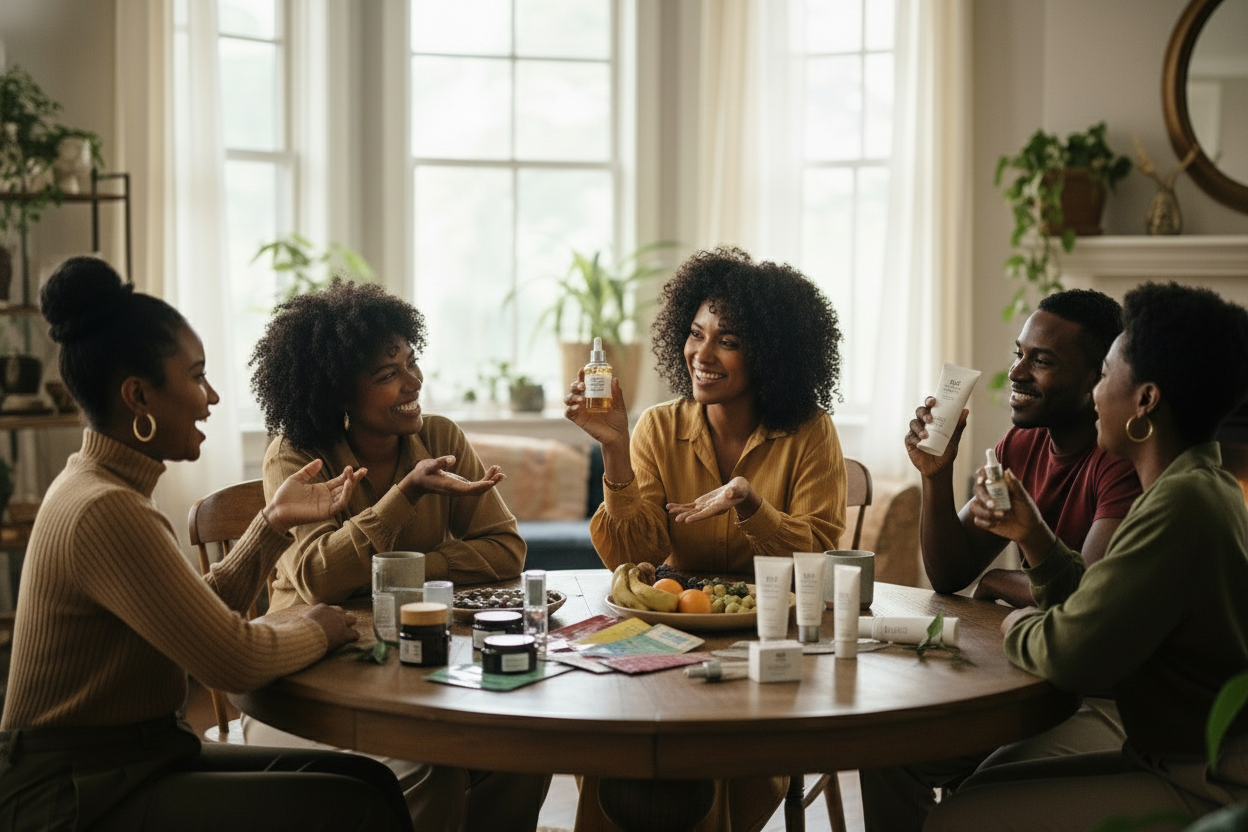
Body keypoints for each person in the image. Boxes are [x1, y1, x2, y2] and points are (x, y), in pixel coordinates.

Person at [0, 256, 411, 831]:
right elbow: (233, 657)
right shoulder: (105, 509)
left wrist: (271, 523)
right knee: (354, 803)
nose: (213, 396)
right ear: (138, 397)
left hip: (136, 758)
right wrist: (316, 626)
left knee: (368, 781)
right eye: (196, 376)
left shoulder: (106, 488)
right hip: (72, 794)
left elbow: (193, 616)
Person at [925, 282, 1248, 831]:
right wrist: (1038, 540)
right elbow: (1099, 595)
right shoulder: (1193, 485)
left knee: (957, 820)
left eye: (1105, 376)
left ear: (1144, 400)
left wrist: (1019, 624)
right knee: (969, 796)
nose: (1097, 394)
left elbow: (1071, 650)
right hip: (1167, 756)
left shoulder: (1178, 505)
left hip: (1205, 781)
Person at [564, 246, 848, 832]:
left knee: (716, 756)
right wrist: (615, 448)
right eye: (695, 334)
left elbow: (819, 553)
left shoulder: (809, 432)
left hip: (767, 642)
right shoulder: (659, 426)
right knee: (610, 737)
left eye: (730, 340)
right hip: (665, 635)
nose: (703, 354)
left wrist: (751, 504)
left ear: (770, 354)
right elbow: (630, 558)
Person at [247, 278, 547, 832]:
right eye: (388, 375)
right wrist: (403, 496)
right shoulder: (297, 456)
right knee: (428, 764)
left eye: (411, 361)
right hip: (307, 683)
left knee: (526, 747)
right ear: (337, 393)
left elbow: (507, 550)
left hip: (417, 668)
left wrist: (408, 571)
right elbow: (318, 579)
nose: (414, 381)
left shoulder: (439, 436)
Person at [862, 289, 1143, 831]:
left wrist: (1000, 579)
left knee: (981, 790)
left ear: (1095, 379)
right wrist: (935, 475)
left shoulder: (1119, 465)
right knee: (890, 758)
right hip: (1032, 674)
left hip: (1101, 697)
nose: (1016, 372)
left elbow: (1086, 601)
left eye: (1040, 361)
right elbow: (950, 572)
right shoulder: (1022, 444)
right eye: (1020, 353)